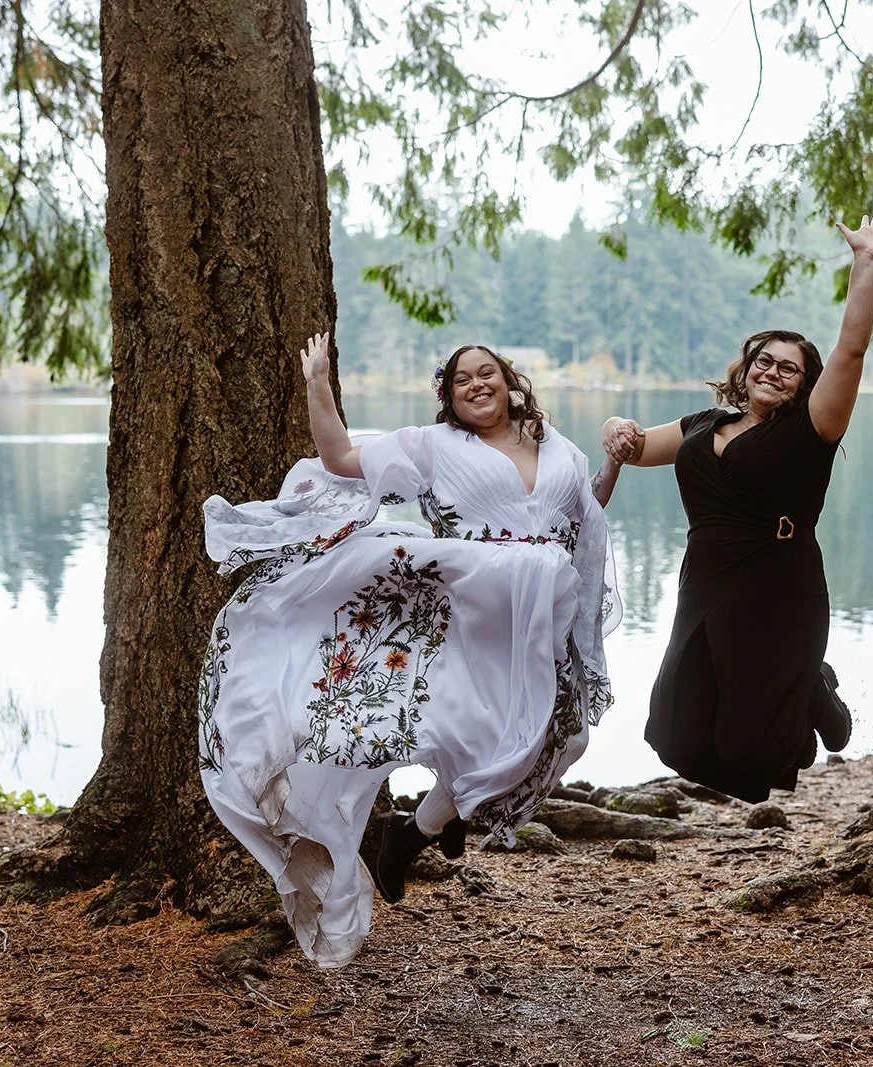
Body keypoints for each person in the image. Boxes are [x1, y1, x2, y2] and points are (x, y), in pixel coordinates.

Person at [199, 336, 621, 968]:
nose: (477, 385)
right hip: (474, 614)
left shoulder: (559, 447)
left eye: (487, 373)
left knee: (564, 738)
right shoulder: (434, 447)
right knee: (473, 734)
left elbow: (584, 512)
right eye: (461, 380)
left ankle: (411, 832)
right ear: (449, 398)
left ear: (511, 384)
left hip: (541, 620)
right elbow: (340, 458)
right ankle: (418, 828)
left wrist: (613, 463)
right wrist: (317, 383)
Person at [601, 214, 873, 804]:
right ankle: (808, 687)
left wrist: (864, 263)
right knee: (678, 728)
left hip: (778, 582)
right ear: (747, 365)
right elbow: (635, 449)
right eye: (765, 360)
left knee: (750, 751)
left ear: (806, 384)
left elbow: (852, 350)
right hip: (706, 578)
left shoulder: (813, 429)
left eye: (790, 368)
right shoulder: (703, 423)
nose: (774, 372)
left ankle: (810, 692)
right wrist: (615, 425)